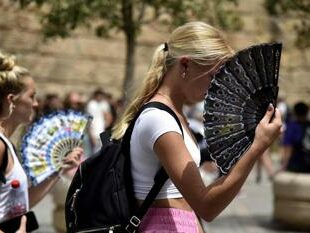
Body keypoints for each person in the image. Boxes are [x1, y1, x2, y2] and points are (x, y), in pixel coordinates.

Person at [111, 21, 282, 232]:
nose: (215, 87)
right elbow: (206, 206)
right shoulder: (159, 120)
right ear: (185, 65)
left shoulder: (173, 115)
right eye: (213, 76)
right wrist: (258, 147)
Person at [0, 50, 83, 232]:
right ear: (11, 100)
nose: (36, 104)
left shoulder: (5, 144)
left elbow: (19, 204)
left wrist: (59, 168)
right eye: (31, 96)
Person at [281, 101, 310, 173]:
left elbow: (288, 148)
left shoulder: (292, 126)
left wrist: (284, 166)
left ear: (295, 112)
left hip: (295, 165)